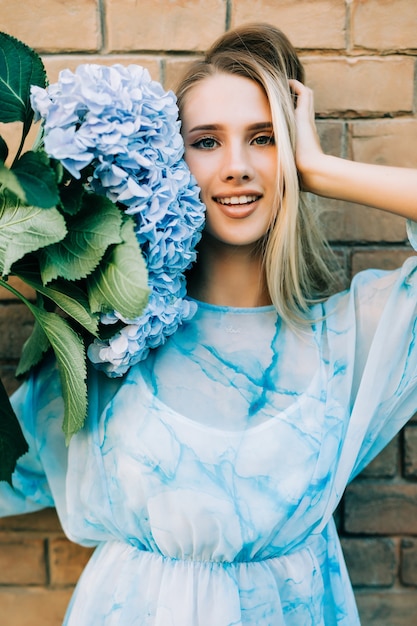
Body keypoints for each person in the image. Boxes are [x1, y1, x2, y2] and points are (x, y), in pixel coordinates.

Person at [2, 22, 417, 626]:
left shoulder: (353, 339)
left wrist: (319, 168)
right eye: (206, 142)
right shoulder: (110, 337)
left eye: (264, 138)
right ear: (171, 161)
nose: (237, 167)